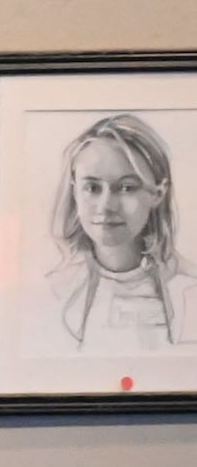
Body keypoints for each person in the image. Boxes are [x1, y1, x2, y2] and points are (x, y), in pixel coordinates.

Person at [47, 113, 190, 349]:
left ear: (158, 193)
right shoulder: (52, 292)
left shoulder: (188, 290)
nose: (106, 206)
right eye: (92, 187)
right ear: (74, 191)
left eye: (126, 188)